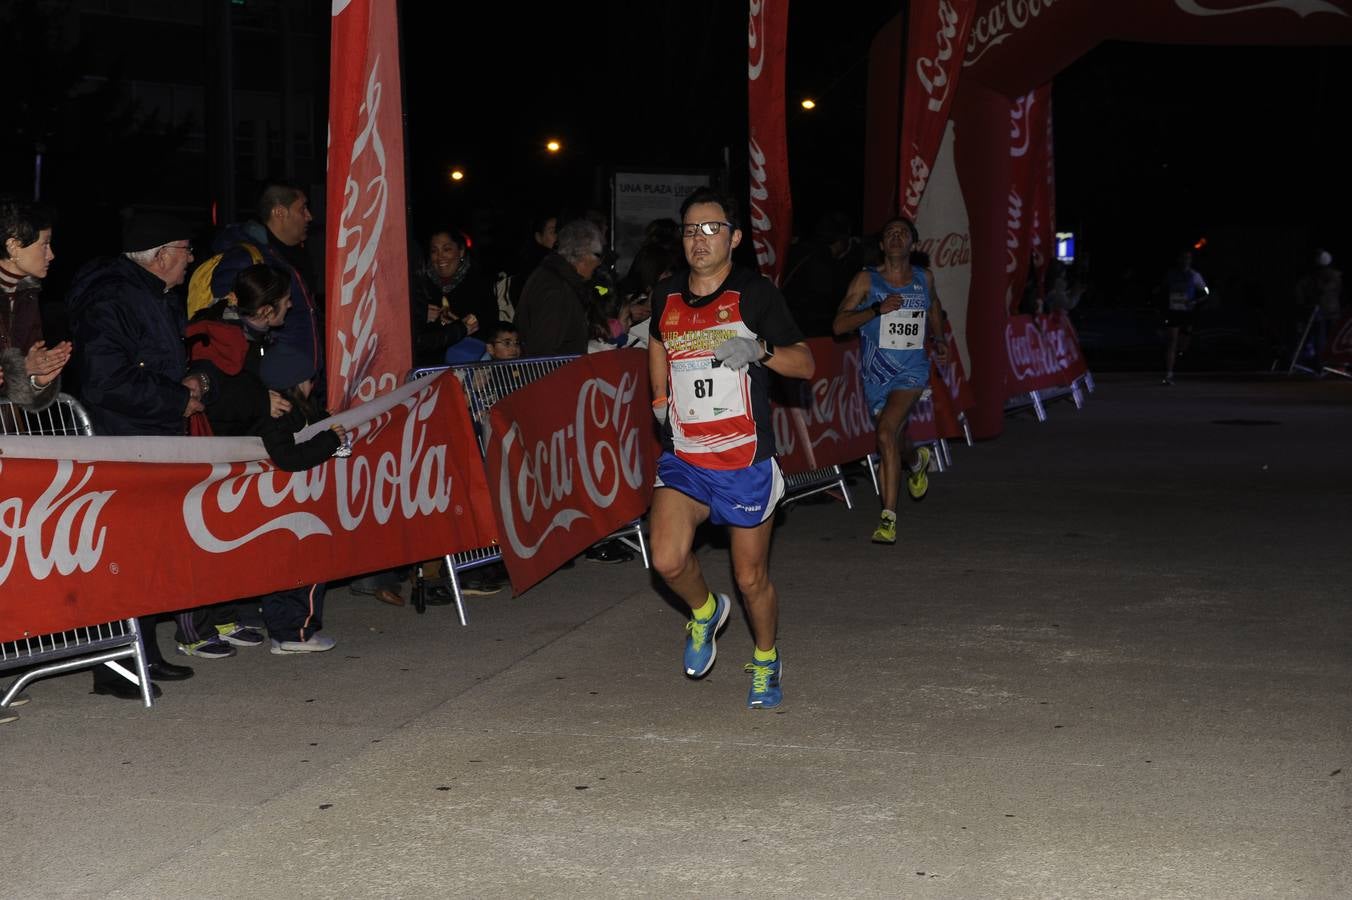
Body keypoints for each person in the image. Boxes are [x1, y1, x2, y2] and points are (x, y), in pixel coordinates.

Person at [648, 187, 814, 709]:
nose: (700, 240)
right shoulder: (666, 294)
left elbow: (805, 363)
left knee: (750, 578)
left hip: (743, 459)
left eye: (712, 229)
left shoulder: (755, 294)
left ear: (735, 237)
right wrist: (659, 399)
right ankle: (704, 613)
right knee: (667, 560)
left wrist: (759, 349)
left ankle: (766, 659)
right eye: (691, 230)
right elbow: (657, 340)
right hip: (686, 456)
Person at [66, 210, 203, 698]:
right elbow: (106, 380)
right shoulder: (114, 297)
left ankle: (143, 651)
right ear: (161, 254)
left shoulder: (153, 295)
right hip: (121, 440)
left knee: (147, 555)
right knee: (122, 556)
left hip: (150, 437)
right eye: (186, 249)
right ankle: (117, 665)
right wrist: (174, 399)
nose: (191, 259)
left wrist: (185, 386)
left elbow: (152, 363)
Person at [832, 216, 948, 545]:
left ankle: (888, 518)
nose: (896, 238)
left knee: (884, 431)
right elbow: (839, 325)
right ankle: (917, 459)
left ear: (912, 243)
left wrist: (939, 340)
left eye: (903, 233)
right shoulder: (866, 281)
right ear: (882, 245)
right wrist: (876, 311)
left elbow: (935, 307)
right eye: (890, 234)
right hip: (876, 374)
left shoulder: (924, 279)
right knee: (894, 439)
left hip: (911, 371)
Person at [256, 344, 350, 653]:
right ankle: (297, 632)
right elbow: (288, 456)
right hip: (294, 503)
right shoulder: (280, 414)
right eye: (309, 380)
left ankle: (284, 633)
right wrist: (329, 439)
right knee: (306, 566)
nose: (314, 386)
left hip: (290, 502)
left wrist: (326, 424)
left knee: (283, 569)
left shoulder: (293, 411)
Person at [206, 180, 323, 385]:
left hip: (300, 380)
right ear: (279, 212)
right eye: (302, 208)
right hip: (277, 385)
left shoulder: (289, 254)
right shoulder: (245, 256)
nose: (309, 216)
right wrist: (267, 379)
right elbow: (228, 322)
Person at [1, 197, 72, 405]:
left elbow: (14, 392)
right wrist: (24, 367)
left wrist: (39, 380)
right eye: (45, 244)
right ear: (13, 246)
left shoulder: (26, 295)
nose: (51, 255)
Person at [515, 218, 606, 357]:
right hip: (554, 376)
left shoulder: (557, 277)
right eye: (598, 255)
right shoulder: (556, 289)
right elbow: (542, 353)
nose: (600, 262)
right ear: (582, 254)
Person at [411, 227, 496, 367]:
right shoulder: (420, 285)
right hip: (430, 370)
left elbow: (491, 331)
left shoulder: (479, 284)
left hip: (470, 367)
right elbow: (416, 338)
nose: (440, 257)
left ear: (461, 251)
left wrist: (463, 326)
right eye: (434, 251)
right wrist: (421, 315)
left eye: (447, 249)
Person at [1162, 250, 1207, 385]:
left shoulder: (1195, 275)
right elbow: (1164, 291)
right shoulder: (1171, 275)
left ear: (1191, 260)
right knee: (1172, 342)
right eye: (1183, 258)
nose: (1185, 260)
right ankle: (1169, 374)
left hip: (1187, 312)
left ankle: (1181, 356)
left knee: (1184, 344)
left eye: (1188, 258)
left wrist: (1195, 301)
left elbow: (1205, 293)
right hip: (1174, 311)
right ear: (1178, 260)